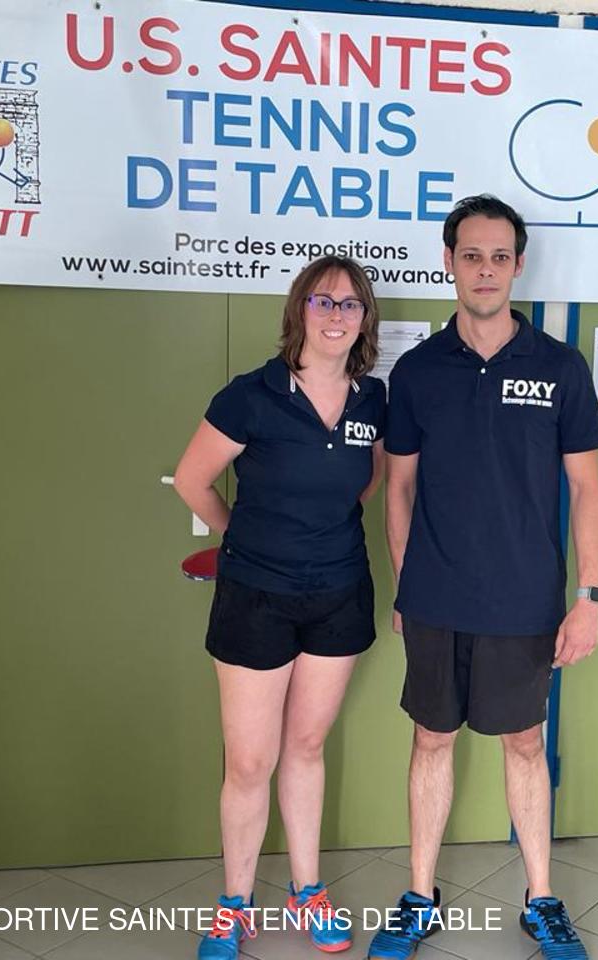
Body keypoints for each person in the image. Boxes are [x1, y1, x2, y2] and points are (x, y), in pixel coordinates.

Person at [368, 195, 598, 960]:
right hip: (436, 597)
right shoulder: (417, 372)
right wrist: (406, 584)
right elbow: (398, 488)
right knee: (431, 739)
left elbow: (588, 489)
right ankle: (418, 897)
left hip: (525, 600)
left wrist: (589, 597)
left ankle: (541, 900)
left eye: (499, 256)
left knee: (525, 745)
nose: (485, 270)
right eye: (471, 255)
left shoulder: (559, 368)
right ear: (449, 262)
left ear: (518, 265)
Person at [174, 255, 387, 959]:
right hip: (255, 598)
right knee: (248, 761)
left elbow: (365, 484)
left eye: (350, 304)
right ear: (299, 310)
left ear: (364, 319)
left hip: (337, 594)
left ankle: (307, 890)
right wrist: (243, 536)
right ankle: (234, 905)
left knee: (306, 747)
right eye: (323, 301)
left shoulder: (372, 401)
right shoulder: (251, 395)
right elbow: (194, 480)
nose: (336, 315)